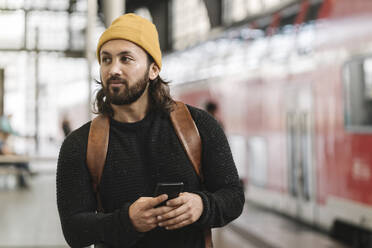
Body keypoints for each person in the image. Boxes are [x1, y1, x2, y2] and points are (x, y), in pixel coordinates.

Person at [56, 13, 244, 248]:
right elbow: (74, 231)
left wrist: (202, 205)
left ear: (153, 69)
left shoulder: (199, 126)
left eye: (126, 59)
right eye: (106, 59)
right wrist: (127, 221)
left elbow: (233, 196)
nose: (113, 69)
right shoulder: (80, 145)